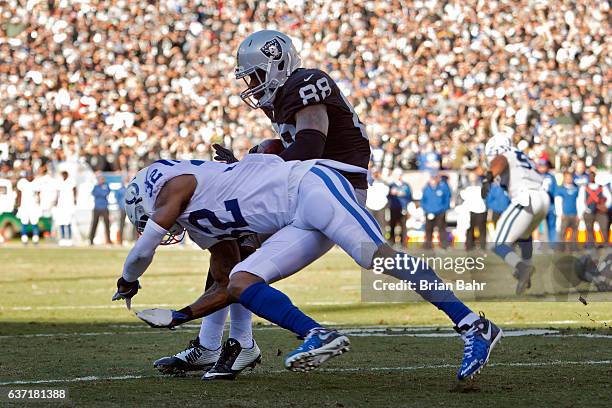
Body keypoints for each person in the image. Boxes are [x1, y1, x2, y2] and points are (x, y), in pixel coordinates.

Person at [113, 156, 502, 381]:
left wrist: (128, 281)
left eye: (148, 217)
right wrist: (181, 315)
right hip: (297, 221)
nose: (155, 225)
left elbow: (142, 252)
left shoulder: (174, 184)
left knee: (376, 256)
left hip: (311, 188)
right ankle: (316, 333)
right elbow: (224, 286)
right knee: (241, 279)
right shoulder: (199, 221)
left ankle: (472, 324)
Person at [158, 30, 373, 380]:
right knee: (230, 243)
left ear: (278, 62)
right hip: (308, 186)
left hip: (334, 188)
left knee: (235, 245)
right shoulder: (281, 99)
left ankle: (233, 344)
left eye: (257, 74)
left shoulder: (305, 82)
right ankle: (216, 344)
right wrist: (246, 163)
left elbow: (309, 146)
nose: (253, 83)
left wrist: (249, 171)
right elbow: (287, 151)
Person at [482, 136, 548, 294]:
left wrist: (488, 178)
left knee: (498, 243)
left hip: (525, 197)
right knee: (525, 236)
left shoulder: (504, 154)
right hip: (543, 199)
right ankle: (526, 266)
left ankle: (522, 268)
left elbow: (501, 160)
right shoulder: (519, 154)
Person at [577, 168, 611, 248]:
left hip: (600, 212)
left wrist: (605, 206)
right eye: (590, 176)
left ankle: (605, 245)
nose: (591, 178)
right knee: (589, 230)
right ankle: (591, 246)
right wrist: (583, 211)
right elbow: (581, 200)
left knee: (604, 228)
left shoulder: (602, 187)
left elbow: (609, 198)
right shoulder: (584, 188)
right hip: (589, 212)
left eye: (593, 176)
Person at [421, 172, 451, 249]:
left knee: (442, 230)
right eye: (432, 178)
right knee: (428, 230)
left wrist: (444, 209)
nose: (433, 180)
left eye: (435, 178)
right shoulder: (426, 188)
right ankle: (428, 246)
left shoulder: (442, 187)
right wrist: (426, 210)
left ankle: (444, 246)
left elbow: (447, 199)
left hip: (440, 212)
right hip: (429, 213)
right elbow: (423, 200)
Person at [461, 171, 487, 251]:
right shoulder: (466, 186)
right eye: (470, 176)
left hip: (481, 210)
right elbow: (463, 196)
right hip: (470, 211)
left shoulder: (481, 185)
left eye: (473, 176)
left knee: (481, 230)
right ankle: (469, 246)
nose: (472, 178)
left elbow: (485, 196)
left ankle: (483, 246)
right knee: (469, 229)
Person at [556, 172, 580, 252]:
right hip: (565, 215)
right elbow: (558, 202)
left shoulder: (576, 189)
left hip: (574, 214)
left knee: (574, 234)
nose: (569, 179)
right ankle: (561, 249)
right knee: (562, 233)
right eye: (567, 177)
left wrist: (579, 214)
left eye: (570, 177)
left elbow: (579, 201)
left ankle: (572, 249)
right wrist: (560, 213)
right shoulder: (561, 189)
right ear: (564, 178)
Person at [16, 172, 41, 245]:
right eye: (28, 175)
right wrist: (18, 205)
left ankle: (35, 239)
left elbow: (39, 194)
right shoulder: (22, 182)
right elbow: (19, 194)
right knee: (24, 223)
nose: (29, 177)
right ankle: (24, 239)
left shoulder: (36, 183)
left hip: (34, 207)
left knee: (34, 223)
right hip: (24, 206)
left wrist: (39, 204)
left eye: (31, 175)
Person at [537, 160, 558, 248]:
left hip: (550, 205)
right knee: (539, 225)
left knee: (552, 225)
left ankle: (552, 245)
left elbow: (555, 191)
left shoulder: (551, 177)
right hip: (539, 204)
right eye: (540, 166)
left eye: (544, 166)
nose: (542, 168)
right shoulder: (535, 176)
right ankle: (539, 244)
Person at [387, 171, 411, 246]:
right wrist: (391, 193)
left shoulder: (406, 185)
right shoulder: (391, 185)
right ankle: (392, 241)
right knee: (392, 225)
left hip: (403, 209)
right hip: (393, 208)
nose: (398, 176)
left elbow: (409, 196)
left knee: (403, 226)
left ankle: (404, 243)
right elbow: (388, 196)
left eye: (399, 175)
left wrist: (402, 194)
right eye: (397, 175)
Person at [54, 171, 77, 246]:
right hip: (61, 204)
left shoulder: (71, 181)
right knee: (61, 221)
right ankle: (63, 238)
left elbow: (74, 190)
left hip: (68, 204)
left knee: (68, 222)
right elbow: (58, 192)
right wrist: (56, 201)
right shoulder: (59, 182)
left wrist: (74, 200)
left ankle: (69, 238)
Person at [89, 174, 111, 245]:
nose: (101, 180)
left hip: (104, 207)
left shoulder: (106, 186)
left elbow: (105, 193)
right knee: (94, 224)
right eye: (100, 179)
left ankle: (108, 240)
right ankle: (91, 240)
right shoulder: (96, 186)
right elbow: (93, 193)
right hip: (97, 208)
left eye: (102, 179)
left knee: (107, 225)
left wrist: (99, 192)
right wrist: (101, 192)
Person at [365, 171, 389, 236]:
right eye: (375, 173)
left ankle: (382, 242)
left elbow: (387, 191)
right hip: (370, 206)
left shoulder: (383, 183)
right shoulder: (369, 182)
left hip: (381, 206)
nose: (376, 175)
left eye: (377, 173)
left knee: (381, 225)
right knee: (370, 225)